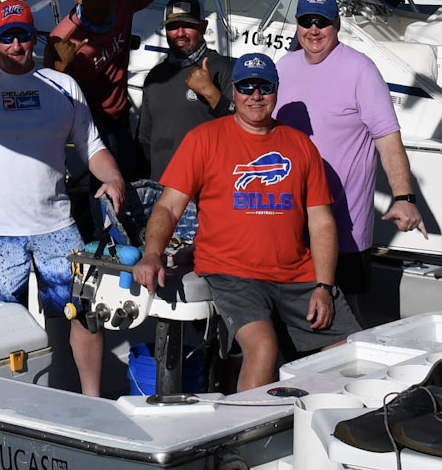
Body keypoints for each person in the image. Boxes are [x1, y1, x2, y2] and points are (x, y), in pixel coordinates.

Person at [0, 0, 127, 397]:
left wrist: (115, 178)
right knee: (5, 327)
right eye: (7, 37)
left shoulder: (63, 86)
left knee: (83, 313)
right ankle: (9, 403)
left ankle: (93, 401)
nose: (17, 45)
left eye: (23, 35)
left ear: (34, 39)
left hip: (57, 229)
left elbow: (92, 148)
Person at [133, 52, 358, 390]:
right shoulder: (204, 139)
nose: (256, 95)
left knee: (355, 351)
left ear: (276, 91)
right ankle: (245, 435)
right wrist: (152, 253)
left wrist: (324, 287)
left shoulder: (301, 147)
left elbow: (322, 223)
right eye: (247, 86)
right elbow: (167, 208)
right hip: (234, 274)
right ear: (234, 91)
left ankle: (318, 421)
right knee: (264, 347)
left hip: (298, 275)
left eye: (264, 86)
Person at [275, 0, 426, 320]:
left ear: (337, 23)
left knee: (344, 312)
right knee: (290, 312)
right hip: (289, 220)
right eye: (306, 21)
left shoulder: (360, 70)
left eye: (322, 22)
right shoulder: (283, 67)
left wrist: (405, 197)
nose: (313, 30)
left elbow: (389, 141)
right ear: (297, 24)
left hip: (345, 226)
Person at [48, 0, 160, 177]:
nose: (102, 2)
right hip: (87, 120)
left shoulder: (123, 3)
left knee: (127, 175)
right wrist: (60, 67)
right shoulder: (62, 37)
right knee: (108, 183)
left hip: (119, 115)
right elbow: (49, 95)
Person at [137, 0, 233, 180]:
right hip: (162, 192)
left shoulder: (223, 68)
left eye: (188, 26)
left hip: (206, 191)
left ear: (203, 27)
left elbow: (244, 129)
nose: (180, 33)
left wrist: (211, 93)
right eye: (173, 27)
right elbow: (144, 141)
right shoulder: (156, 76)